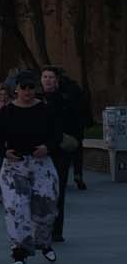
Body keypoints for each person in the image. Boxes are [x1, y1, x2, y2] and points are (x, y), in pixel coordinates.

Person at [0, 70, 63, 264]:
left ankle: (44, 243)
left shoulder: (45, 109)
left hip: (41, 163)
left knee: (46, 205)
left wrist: (47, 147)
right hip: (15, 165)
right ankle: (19, 251)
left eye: (31, 87)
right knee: (17, 207)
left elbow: (57, 134)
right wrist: (5, 152)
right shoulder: (7, 111)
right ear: (16, 89)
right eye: (24, 88)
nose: (28, 91)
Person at [41, 65, 88, 243]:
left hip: (59, 151)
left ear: (57, 80)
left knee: (57, 190)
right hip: (40, 151)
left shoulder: (64, 100)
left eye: (51, 77)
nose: (48, 80)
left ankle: (56, 230)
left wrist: (70, 139)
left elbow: (75, 123)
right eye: (45, 77)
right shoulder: (36, 99)